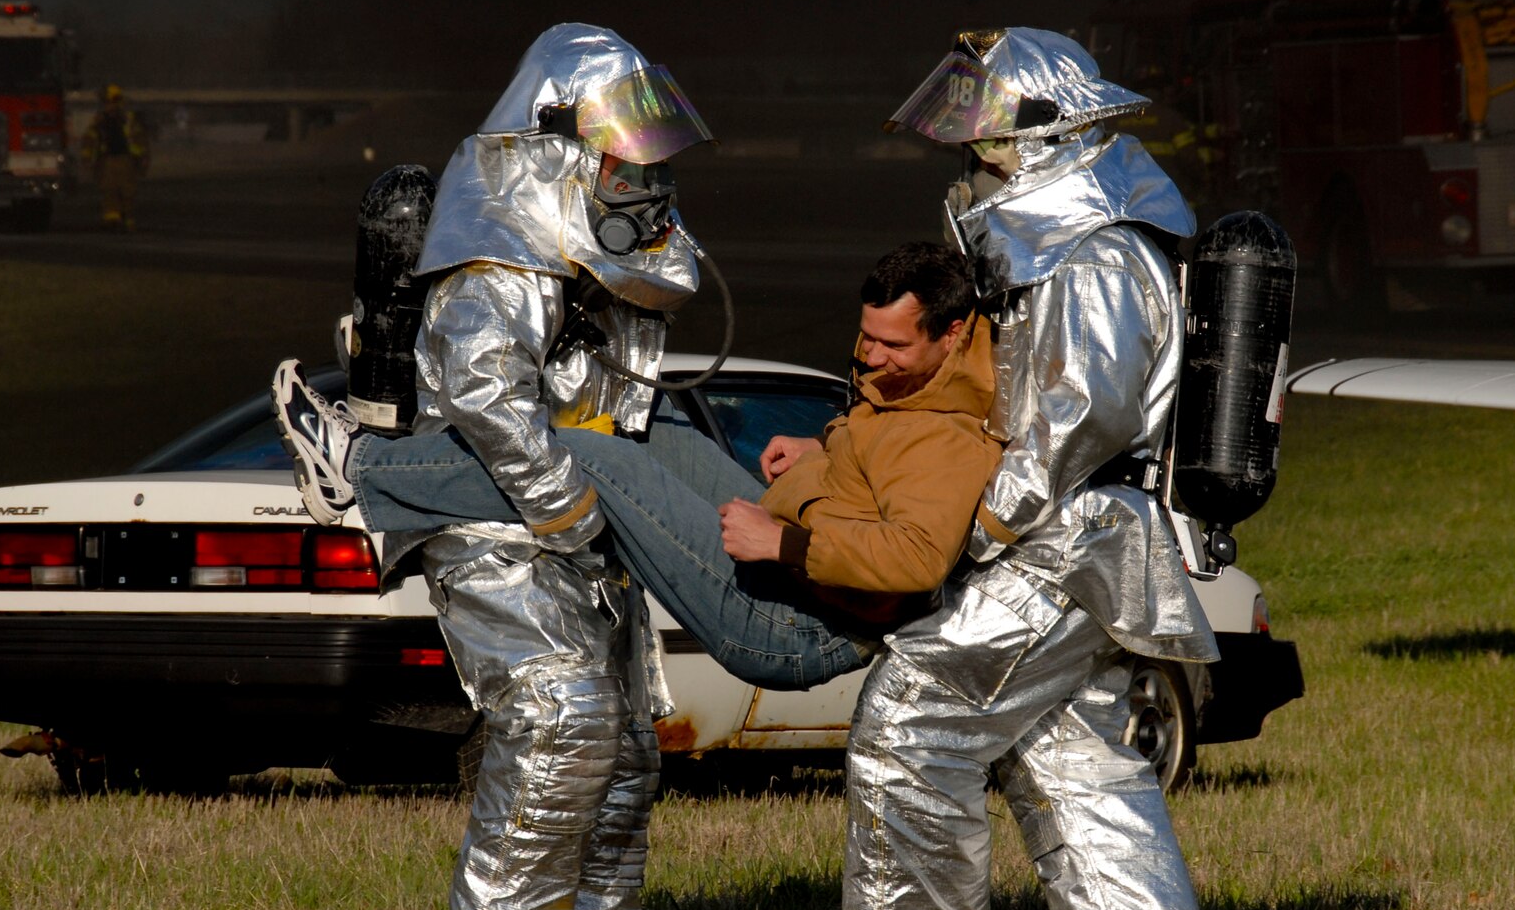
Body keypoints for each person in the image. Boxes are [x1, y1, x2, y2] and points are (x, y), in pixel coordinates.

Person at [274, 24, 713, 910]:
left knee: (628, 748)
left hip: (594, 524)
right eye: (621, 145)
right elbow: (483, 392)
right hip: (498, 521)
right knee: (565, 714)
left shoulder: (611, 237)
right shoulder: (494, 248)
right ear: (555, 137)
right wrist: (560, 501)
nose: (643, 170)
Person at [810, 28, 1220, 910]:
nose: (966, 165)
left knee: (910, 716)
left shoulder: (1097, 250)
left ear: (1045, 140)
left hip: (1060, 538)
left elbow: (1086, 412)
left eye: (981, 145)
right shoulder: (1064, 241)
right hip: (1083, 539)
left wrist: (982, 521)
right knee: (1069, 747)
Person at [278, 240, 1000, 689]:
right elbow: (885, 469)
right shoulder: (910, 387)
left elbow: (915, 559)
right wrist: (826, 452)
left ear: (953, 332)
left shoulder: (952, 435)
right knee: (647, 427)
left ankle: (360, 470)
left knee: (590, 460)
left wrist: (785, 542)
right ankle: (443, 440)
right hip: (797, 568)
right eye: (866, 337)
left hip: (796, 621)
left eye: (892, 345)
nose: (871, 356)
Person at [79, 84, 149, 232]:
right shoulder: (99, 122)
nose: (107, 106)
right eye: (105, 103)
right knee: (109, 190)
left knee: (127, 192)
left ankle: (128, 220)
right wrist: (87, 160)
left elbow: (140, 140)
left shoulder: (128, 120)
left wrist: (143, 159)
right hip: (107, 161)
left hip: (126, 160)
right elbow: (89, 140)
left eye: (108, 102)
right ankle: (112, 220)